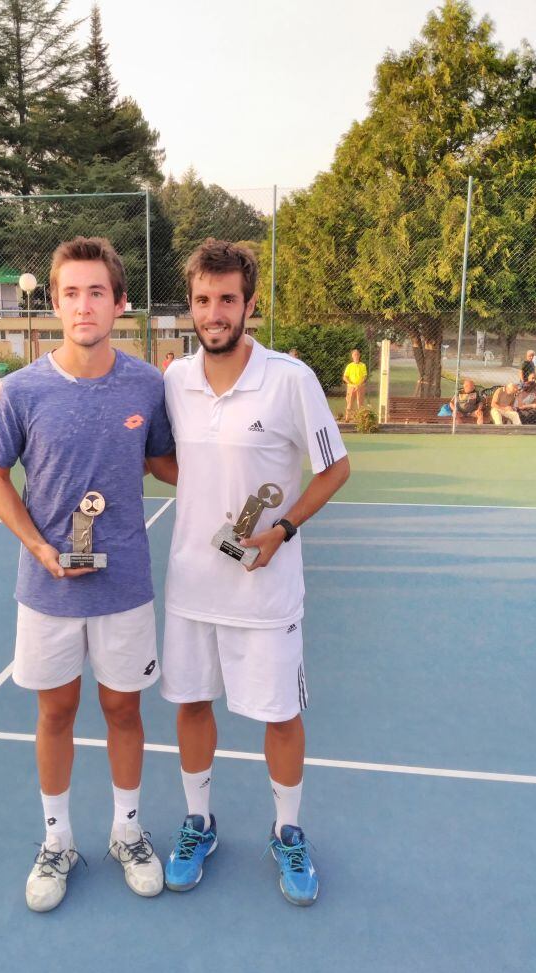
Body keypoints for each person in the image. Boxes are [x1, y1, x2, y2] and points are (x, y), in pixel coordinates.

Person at [0, 236, 175, 912]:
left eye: (97, 292)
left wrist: (246, 464)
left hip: (124, 587)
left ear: (120, 302)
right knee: (55, 709)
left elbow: (167, 463)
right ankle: (57, 838)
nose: (84, 304)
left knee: (124, 707)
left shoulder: (148, 385)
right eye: (71, 292)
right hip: (48, 588)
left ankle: (127, 829)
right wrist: (36, 546)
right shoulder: (21, 389)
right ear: (54, 302)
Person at [152, 239, 350, 906]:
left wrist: (282, 530)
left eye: (227, 299)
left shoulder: (290, 379)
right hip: (191, 588)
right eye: (203, 300)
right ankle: (199, 821)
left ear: (250, 304)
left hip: (265, 590)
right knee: (191, 704)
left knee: (281, 713)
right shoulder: (174, 381)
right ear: (191, 305)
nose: (215, 312)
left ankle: (288, 829)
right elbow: (165, 460)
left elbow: (335, 467)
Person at [342, 348, 368, 419]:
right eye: (354, 354)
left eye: (357, 354)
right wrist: (352, 384)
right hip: (351, 387)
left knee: (360, 403)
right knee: (349, 403)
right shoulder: (349, 366)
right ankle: (347, 418)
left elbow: (364, 376)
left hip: (360, 387)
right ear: (352, 356)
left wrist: (359, 384)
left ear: (359, 356)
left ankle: (360, 419)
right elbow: (345, 377)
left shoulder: (363, 365)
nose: (356, 356)